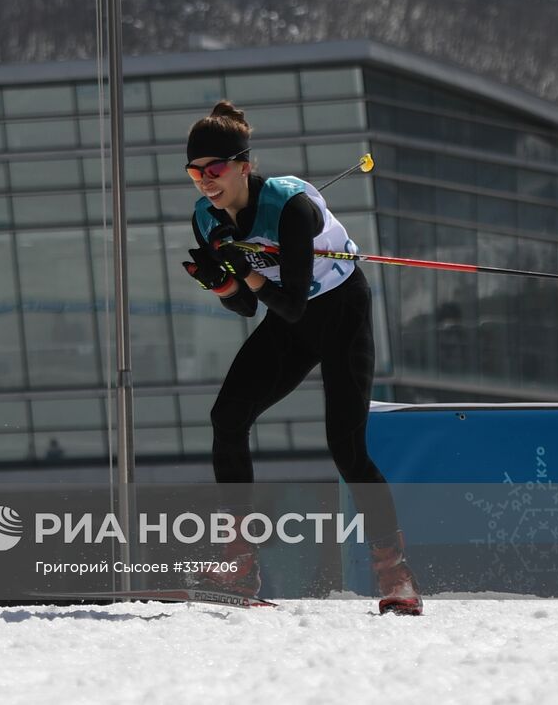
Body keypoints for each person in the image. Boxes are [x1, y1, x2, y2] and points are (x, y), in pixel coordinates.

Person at [180, 100, 422, 616]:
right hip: (291, 323)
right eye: (195, 172)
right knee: (227, 417)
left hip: (339, 313)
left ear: (244, 165)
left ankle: (394, 573)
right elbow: (248, 307)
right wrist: (222, 282)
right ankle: (239, 563)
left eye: (215, 169)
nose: (205, 181)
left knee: (346, 447)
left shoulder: (292, 208)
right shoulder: (206, 216)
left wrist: (240, 265)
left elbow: (289, 301)